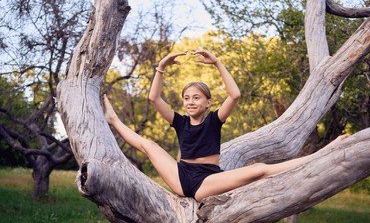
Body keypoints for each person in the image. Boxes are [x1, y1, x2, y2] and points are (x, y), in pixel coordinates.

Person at [103, 49, 348, 202]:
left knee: (260, 169)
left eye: (196, 98)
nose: (190, 102)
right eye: (186, 98)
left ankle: (323, 154)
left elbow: (235, 95)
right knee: (149, 145)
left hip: (205, 182)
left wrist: (218, 63)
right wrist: (161, 68)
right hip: (180, 176)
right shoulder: (179, 121)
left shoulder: (214, 120)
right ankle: (113, 120)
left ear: (208, 102)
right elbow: (153, 98)